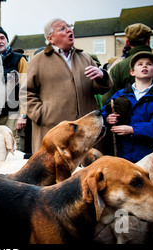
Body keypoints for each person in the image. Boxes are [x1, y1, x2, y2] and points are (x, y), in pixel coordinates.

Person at [22, 18, 113, 152]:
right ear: (50, 38)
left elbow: (102, 88)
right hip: (53, 131)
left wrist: (102, 76)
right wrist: (41, 114)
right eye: (62, 28)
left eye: (69, 27)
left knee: (86, 170)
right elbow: (25, 92)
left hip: (86, 131)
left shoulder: (85, 58)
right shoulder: (38, 60)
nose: (69, 30)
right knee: (56, 169)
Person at [101, 52, 153, 162]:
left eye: (149, 64)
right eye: (140, 64)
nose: (144, 66)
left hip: (149, 156)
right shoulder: (120, 94)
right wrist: (108, 118)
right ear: (132, 72)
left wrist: (133, 130)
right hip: (122, 155)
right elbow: (104, 112)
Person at [102, 23, 153, 104]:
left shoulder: (118, 67)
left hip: (127, 116)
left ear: (128, 43)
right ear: (149, 39)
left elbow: (107, 100)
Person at [0, 27, 28, 151]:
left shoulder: (19, 59)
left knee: (14, 149)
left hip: (13, 113)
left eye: (2, 38)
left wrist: (23, 114)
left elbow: (26, 87)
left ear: (7, 41)